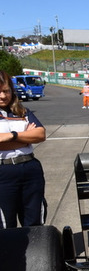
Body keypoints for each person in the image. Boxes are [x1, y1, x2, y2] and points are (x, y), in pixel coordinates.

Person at [0, 70, 47, 228]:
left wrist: (11, 136)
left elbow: (40, 134)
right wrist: (25, 136)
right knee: (6, 225)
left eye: (6, 91)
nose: (3, 96)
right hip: (3, 172)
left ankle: (35, 251)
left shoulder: (22, 111)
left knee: (35, 221)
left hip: (30, 169)